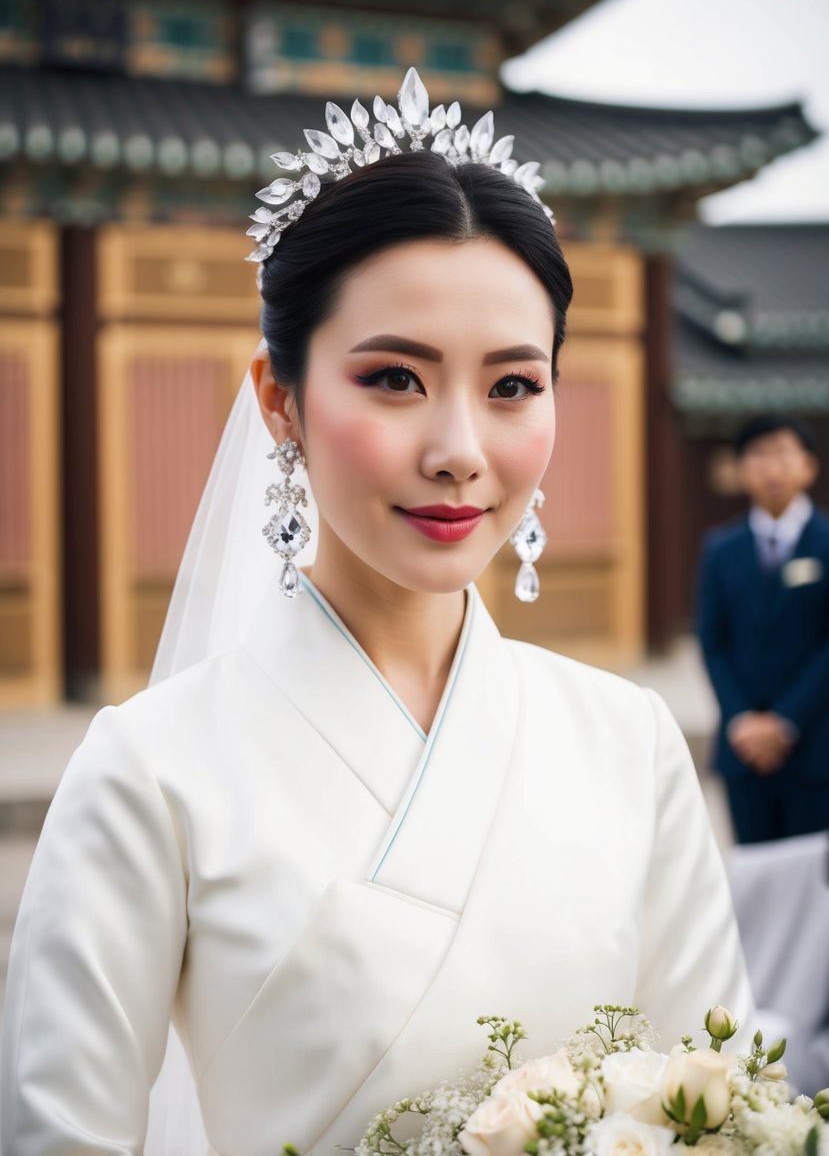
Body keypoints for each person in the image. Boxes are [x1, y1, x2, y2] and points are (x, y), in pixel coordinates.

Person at [1, 71, 752, 1156]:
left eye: (510, 386)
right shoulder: (148, 770)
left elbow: (720, 1105)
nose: (457, 449)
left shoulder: (627, 744)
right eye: (395, 378)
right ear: (280, 398)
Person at [697, 413, 829, 845]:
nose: (772, 468)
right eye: (758, 456)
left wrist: (785, 722)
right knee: (755, 881)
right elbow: (713, 641)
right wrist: (741, 721)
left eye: (783, 455)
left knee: (814, 890)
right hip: (743, 751)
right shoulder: (720, 548)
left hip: (815, 747)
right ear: (739, 471)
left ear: (809, 466)